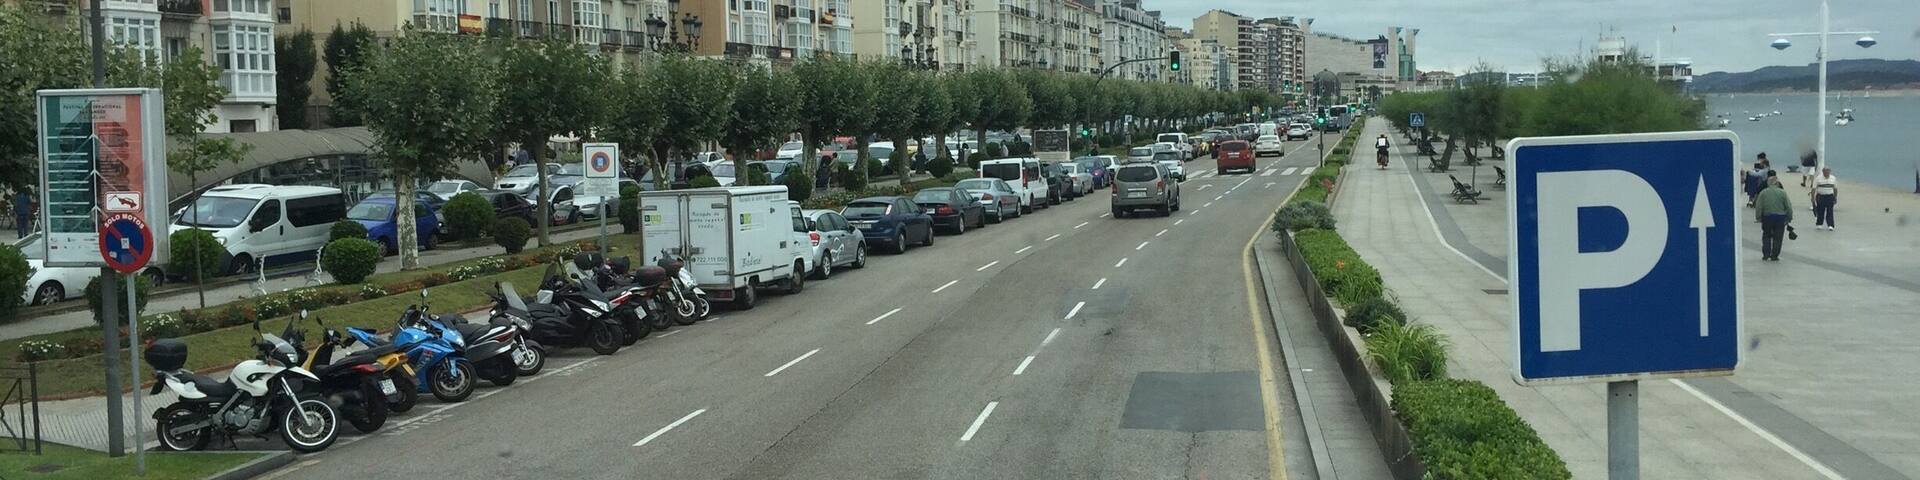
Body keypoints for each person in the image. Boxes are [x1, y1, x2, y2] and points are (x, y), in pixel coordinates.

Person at [1755, 176, 1793, 261]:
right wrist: (1789, 217)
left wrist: (1758, 217)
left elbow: (1759, 206)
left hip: (1767, 217)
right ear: (1777, 183)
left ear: (1768, 183)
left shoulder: (1763, 193)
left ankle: (1766, 254)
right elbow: (1788, 207)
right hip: (1780, 218)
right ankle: (1774, 255)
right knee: (1778, 237)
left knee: (1766, 235)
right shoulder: (1783, 193)